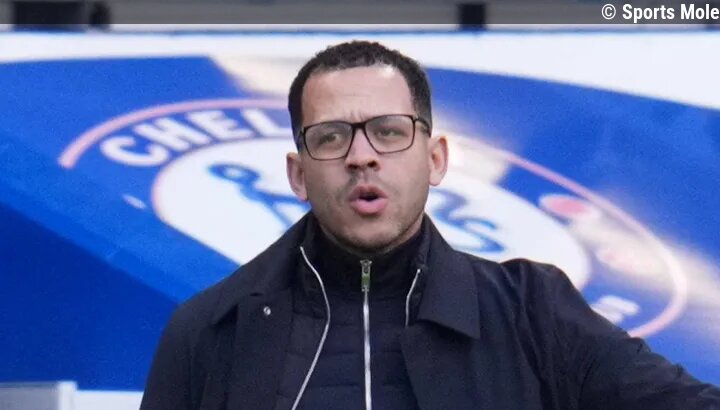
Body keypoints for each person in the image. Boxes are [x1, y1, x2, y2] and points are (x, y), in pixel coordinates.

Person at [140, 40, 720, 410]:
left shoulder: (533, 312)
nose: (362, 157)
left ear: (436, 159)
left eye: (389, 132)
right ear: (298, 174)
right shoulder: (210, 330)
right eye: (332, 137)